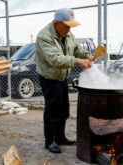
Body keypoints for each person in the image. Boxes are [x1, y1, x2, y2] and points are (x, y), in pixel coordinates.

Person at [35, 8, 94, 154]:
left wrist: (86, 55)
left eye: (71, 26)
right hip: (49, 78)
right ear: (57, 23)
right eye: (67, 25)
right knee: (52, 110)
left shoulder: (68, 34)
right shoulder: (44, 37)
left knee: (63, 110)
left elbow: (76, 50)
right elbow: (55, 59)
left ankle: (60, 137)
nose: (69, 29)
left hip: (61, 77)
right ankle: (49, 142)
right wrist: (78, 61)